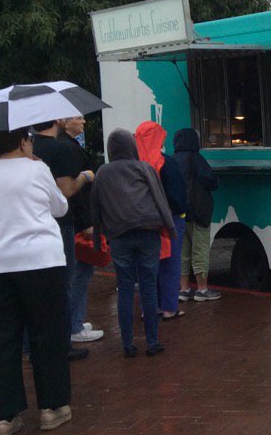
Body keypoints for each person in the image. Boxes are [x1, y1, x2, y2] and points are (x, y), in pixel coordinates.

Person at [0, 128, 73, 435]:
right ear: (23, 142)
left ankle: (6, 416)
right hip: (40, 261)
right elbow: (60, 207)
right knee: (46, 332)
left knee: (4, 336)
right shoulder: (37, 169)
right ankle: (52, 407)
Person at [90, 129, 174, 357]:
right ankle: (153, 342)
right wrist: (170, 229)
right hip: (148, 231)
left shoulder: (102, 173)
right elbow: (160, 199)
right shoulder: (143, 167)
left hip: (118, 235)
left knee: (125, 288)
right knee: (148, 286)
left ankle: (127, 344)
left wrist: (98, 238)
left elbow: (95, 208)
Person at [31, 120, 98, 360]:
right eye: (77, 117)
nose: (83, 121)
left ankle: (47, 336)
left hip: (36, 222)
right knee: (68, 278)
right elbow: (67, 191)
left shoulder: (30, 148)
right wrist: (85, 176)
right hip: (63, 222)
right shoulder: (62, 149)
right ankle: (69, 332)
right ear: (59, 121)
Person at [134, 121, 188, 320]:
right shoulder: (167, 162)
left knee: (147, 265)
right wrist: (182, 212)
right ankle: (169, 308)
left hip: (141, 221)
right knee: (170, 263)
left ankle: (149, 307)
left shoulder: (133, 164)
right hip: (169, 219)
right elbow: (177, 195)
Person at [59, 116, 104, 344]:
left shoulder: (68, 146)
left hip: (72, 220)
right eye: (78, 118)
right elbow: (75, 193)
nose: (83, 122)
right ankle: (74, 325)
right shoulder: (69, 150)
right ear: (65, 123)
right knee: (81, 272)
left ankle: (74, 320)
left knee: (77, 272)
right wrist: (87, 223)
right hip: (77, 221)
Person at [173, 128, 221, 302]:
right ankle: (202, 289)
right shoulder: (196, 158)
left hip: (179, 213)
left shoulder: (172, 160)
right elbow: (209, 180)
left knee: (182, 252)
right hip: (198, 211)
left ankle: (184, 289)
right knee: (200, 251)